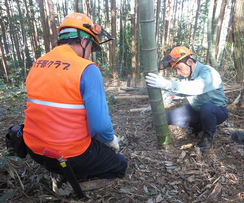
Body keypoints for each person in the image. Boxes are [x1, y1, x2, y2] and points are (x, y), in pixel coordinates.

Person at [23, 13, 127, 180]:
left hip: (34, 149)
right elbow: (100, 126)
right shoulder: (86, 69)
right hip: (68, 155)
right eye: (91, 47)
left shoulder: (38, 63)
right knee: (120, 165)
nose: (90, 53)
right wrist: (110, 140)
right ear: (84, 41)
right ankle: (81, 178)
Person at [145, 46, 228, 152]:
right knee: (166, 118)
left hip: (217, 111)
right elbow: (180, 89)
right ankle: (198, 127)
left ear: (189, 61)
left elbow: (196, 87)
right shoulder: (184, 76)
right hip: (197, 109)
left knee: (207, 108)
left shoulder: (209, 72)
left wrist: (167, 84)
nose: (178, 73)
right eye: (176, 70)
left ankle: (208, 137)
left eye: (179, 68)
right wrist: (169, 94)